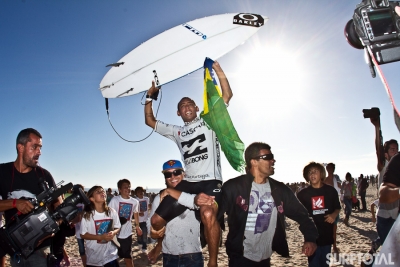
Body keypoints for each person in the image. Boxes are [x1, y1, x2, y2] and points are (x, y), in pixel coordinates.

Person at [144, 61, 232, 267]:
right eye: (182, 106)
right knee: (156, 221)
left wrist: (216, 69)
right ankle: (162, 247)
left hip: (211, 181)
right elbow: (150, 121)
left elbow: (226, 96)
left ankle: (212, 262)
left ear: (196, 107)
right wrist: (150, 96)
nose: (186, 107)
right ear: (179, 113)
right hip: (189, 182)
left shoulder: (209, 120)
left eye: (189, 104)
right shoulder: (176, 131)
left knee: (208, 212)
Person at [218, 142, 318, 267]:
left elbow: (302, 215)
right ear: (254, 161)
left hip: (265, 259)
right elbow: (214, 215)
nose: (273, 160)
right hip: (239, 258)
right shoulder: (234, 187)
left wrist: (310, 238)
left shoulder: (279, 189)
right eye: (268, 157)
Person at [0, 128, 61, 267]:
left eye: (40, 148)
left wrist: (53, 227)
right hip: (16, 249)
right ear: (20, 147)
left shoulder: (45, 175)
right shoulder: (2, 172)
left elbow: (60, 207)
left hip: (41, 249)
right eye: (34, 147)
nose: (39, 152)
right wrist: (15, 203)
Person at [148, 160, 214, 267]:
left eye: (177, 172)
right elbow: (151, 225)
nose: (173, 177)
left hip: (193, 254)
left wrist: (170, 192)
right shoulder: (159, 198)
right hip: (169, 255)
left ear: (184, 174)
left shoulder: (195, 194)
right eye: (168, 174)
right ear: (165, 178)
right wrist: (153, 233)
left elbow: (196, 202)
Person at [297, 162, 341, 267]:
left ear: (321, 174)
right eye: (310, 172)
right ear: (307, 176)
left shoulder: (331, 191)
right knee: (313, 264)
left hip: (326, 235)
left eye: (315, 171)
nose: (312, 174)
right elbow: (297, 213)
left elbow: (338, 207)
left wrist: (334, 215)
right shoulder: (302, 194)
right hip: (311, 238)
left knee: (325, 264)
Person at [80, 186, 121, 267]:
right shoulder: (87, 215)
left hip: (110, 255)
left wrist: (113, 232)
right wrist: (100, 237)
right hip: (94, 257)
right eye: (98, 192)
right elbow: (83, 234)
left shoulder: (112, 212)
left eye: (103, 191)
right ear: (92, 198)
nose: (102, 193)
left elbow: (118, 227)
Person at [108, 179, 142, 267]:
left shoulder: (135, 202)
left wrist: (138, 227)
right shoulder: (115, 200)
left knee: (128, 258)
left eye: (129, 187)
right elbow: (108, 215)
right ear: (119, 189)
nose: (128, 189)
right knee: (114, 258)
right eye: (125, 187)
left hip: (127, 234)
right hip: (114, 234)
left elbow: (136, 213)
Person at [324, 162, 341, 254]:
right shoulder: (325, 180)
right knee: (327, 228)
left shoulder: (336, 178)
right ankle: (329, 245)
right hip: (327, 206)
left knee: (334, 227)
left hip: (335, 205)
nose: (330, 170)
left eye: (331, 168)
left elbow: (340, 187)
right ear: (326, 169)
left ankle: (334, 246)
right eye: (328, 168)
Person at [134, 186, 150, 253]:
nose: (140, 193)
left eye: (142, 191)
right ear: (136, 193)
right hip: (138, 220)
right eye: (138, 192)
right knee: (139, 234)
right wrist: (139, 213)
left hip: (145, 219)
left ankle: (144, 246)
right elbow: (133, 210)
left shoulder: (146, 198)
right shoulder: (135, 200)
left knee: (145, 233)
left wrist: (150, 206)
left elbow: (148, 206)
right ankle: (139, 243)